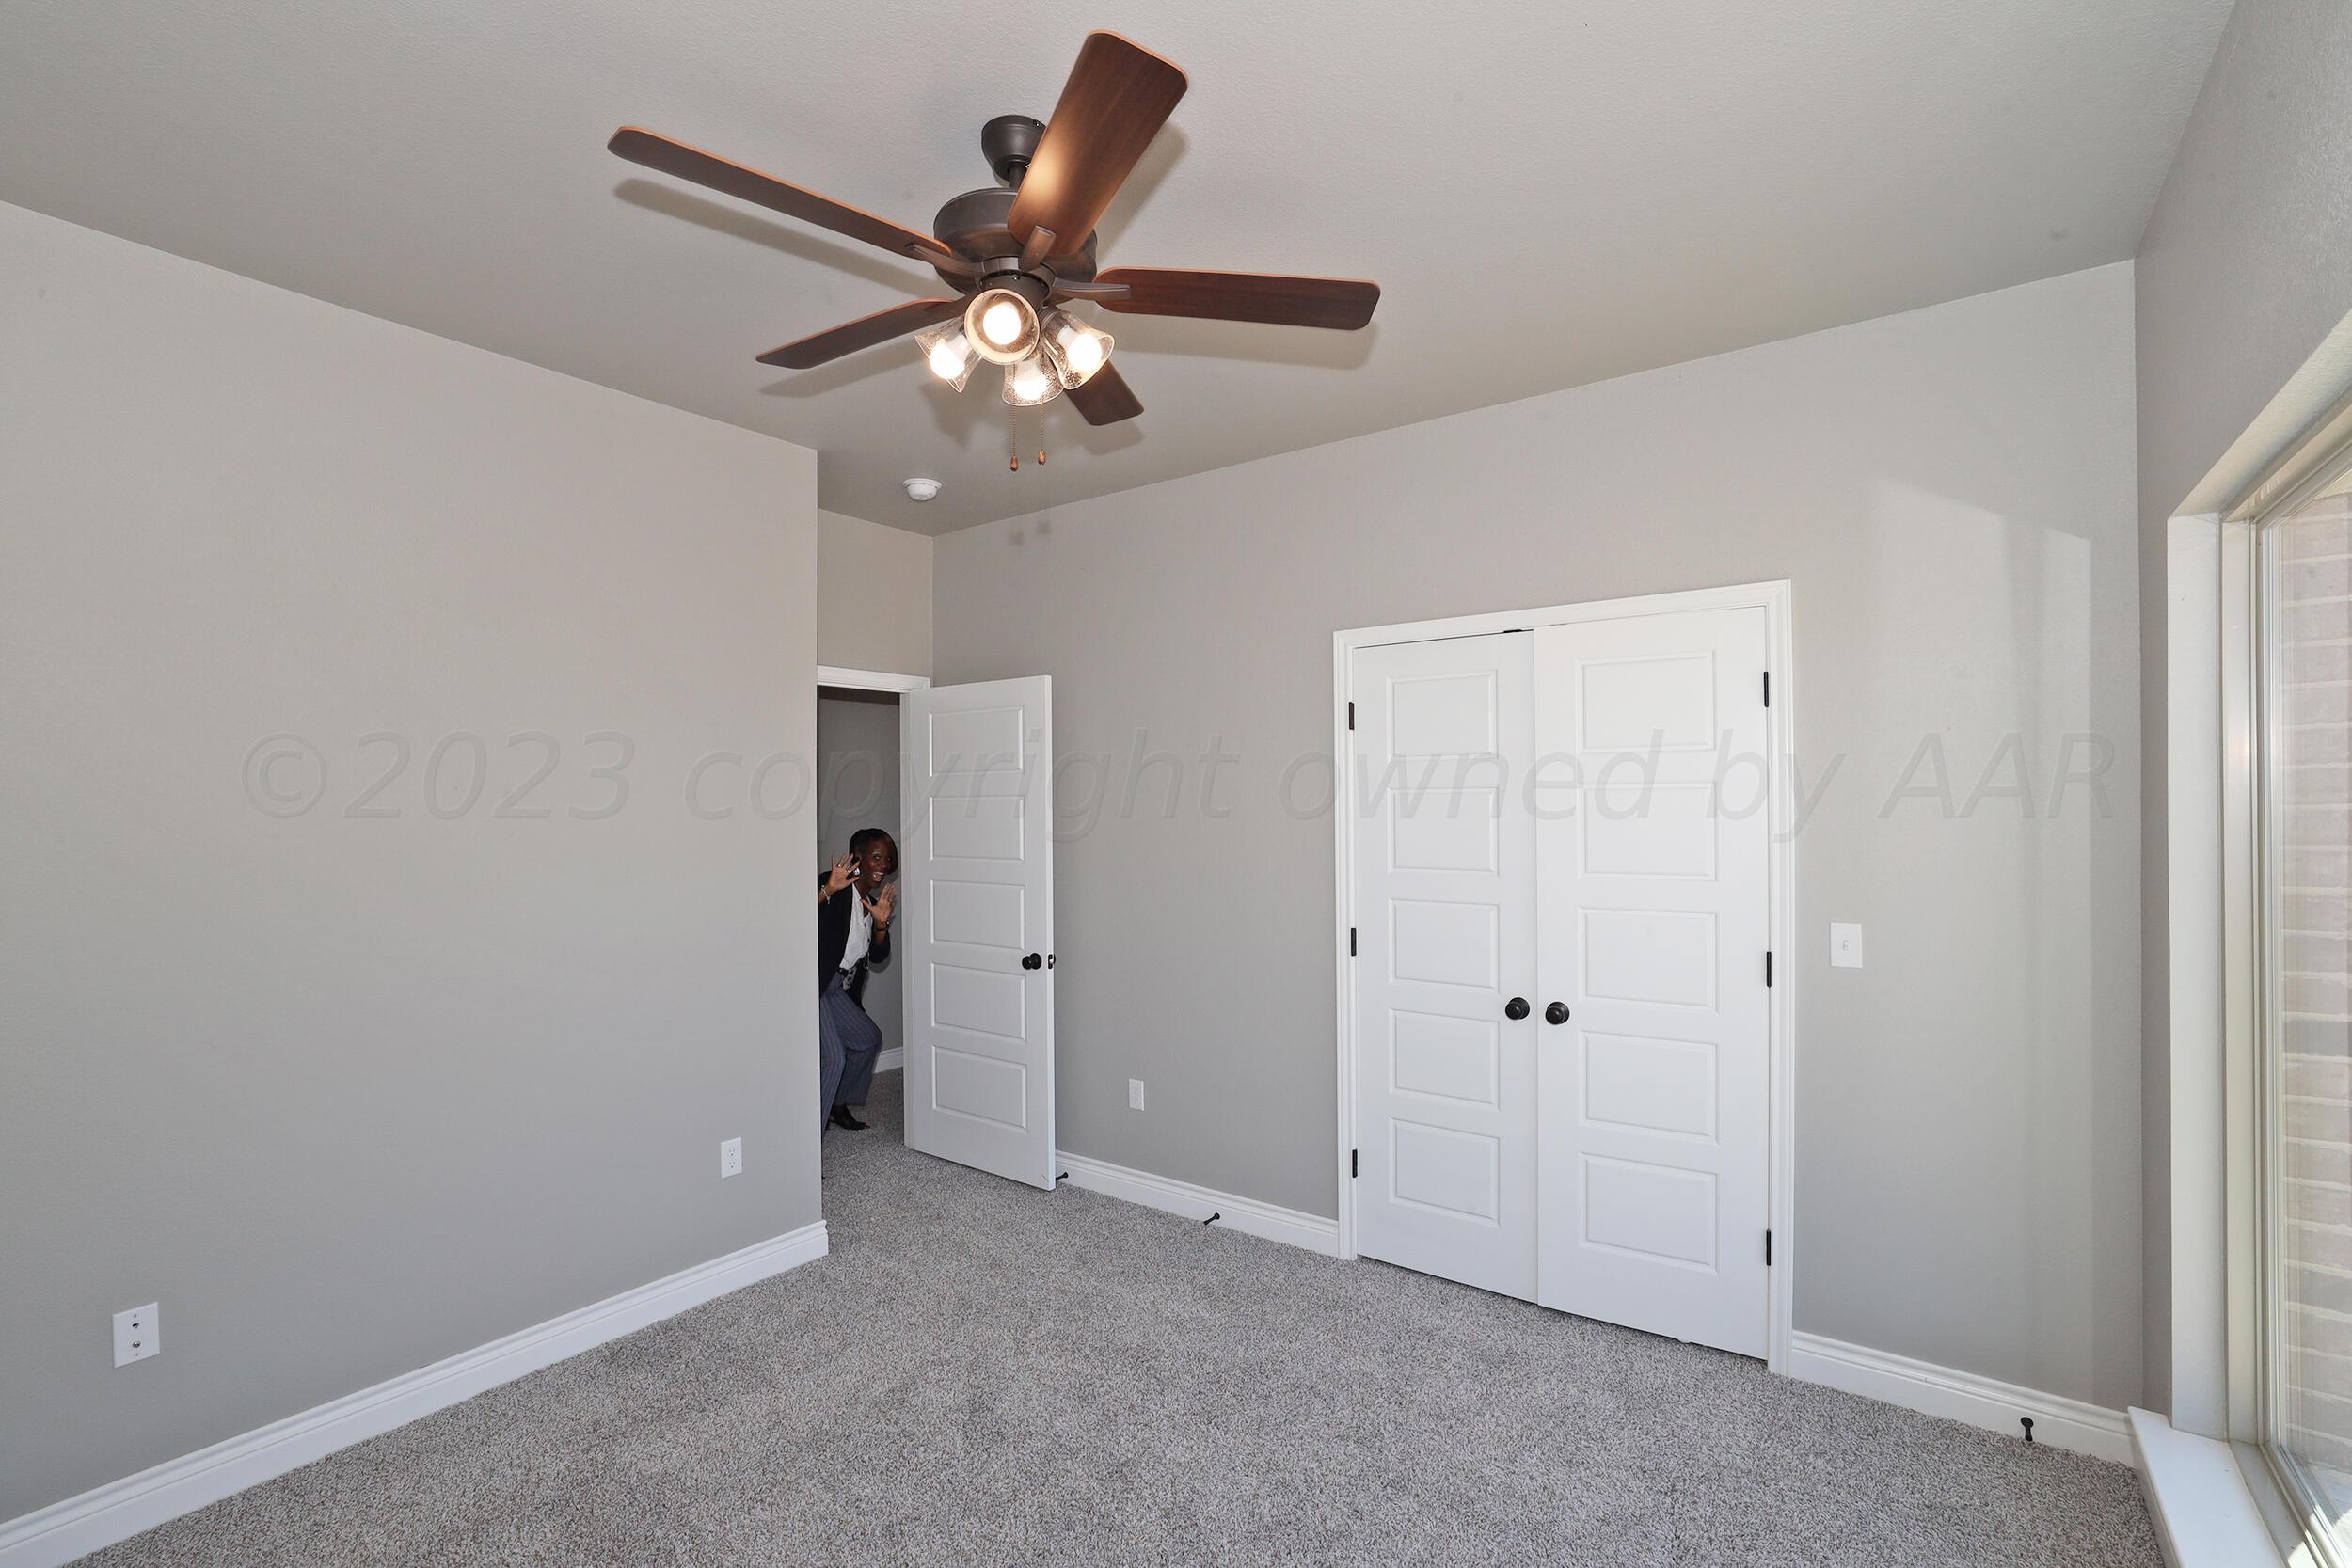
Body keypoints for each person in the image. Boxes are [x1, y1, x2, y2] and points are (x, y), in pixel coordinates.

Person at [817, 827, 898, 1132]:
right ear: (858, 857)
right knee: (833, 1059)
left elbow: (877, 958)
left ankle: (837, 1104)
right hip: (817, 984)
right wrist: (828, 890)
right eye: (876, 857)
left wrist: (881, 925)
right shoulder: (834, 887)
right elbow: (795, 918)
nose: (882, 866)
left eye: (887, 859)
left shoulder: (872, 903)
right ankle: (808, 1147)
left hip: (839, 989)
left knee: (867, 1040)